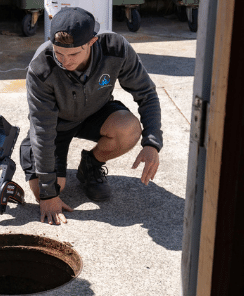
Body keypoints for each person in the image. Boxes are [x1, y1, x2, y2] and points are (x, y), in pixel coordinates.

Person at [20, 7, 163, 225]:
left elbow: (147, 94)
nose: (65, 61)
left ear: (92, 42)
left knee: (129, 128)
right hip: (56, 125)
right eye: (59, 52)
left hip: (96, 112)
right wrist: (48, 193)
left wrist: (152, 143)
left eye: (74, 54)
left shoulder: (115, 48)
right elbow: (43, 130)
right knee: (48, 190)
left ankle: (91, 165)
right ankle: (31, 154)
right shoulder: (41, 67)